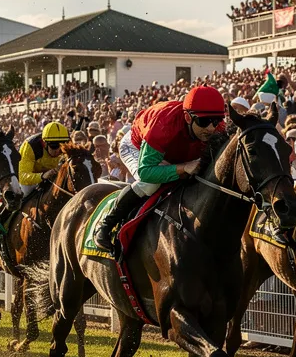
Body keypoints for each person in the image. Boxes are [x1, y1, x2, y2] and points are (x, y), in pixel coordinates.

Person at [91, 85, 226, 254]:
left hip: (174, 151)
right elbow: (147, 171)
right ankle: (106, 225)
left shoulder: (217, 128)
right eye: (204, 122)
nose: (211, 128)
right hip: (136, 146)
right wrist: (183, 167)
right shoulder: (163, 125)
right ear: (188, 117)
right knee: (149, 184)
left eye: (216, 120)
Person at [17, 121, 71, 198]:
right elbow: (22, 177)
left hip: (54, 175)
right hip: (33, 177)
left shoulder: (68, 143)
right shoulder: (30, 146)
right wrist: (42, 176)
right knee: (25, 194)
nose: (58, 150)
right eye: (54, 146)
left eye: (61, 146)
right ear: (45, 143)